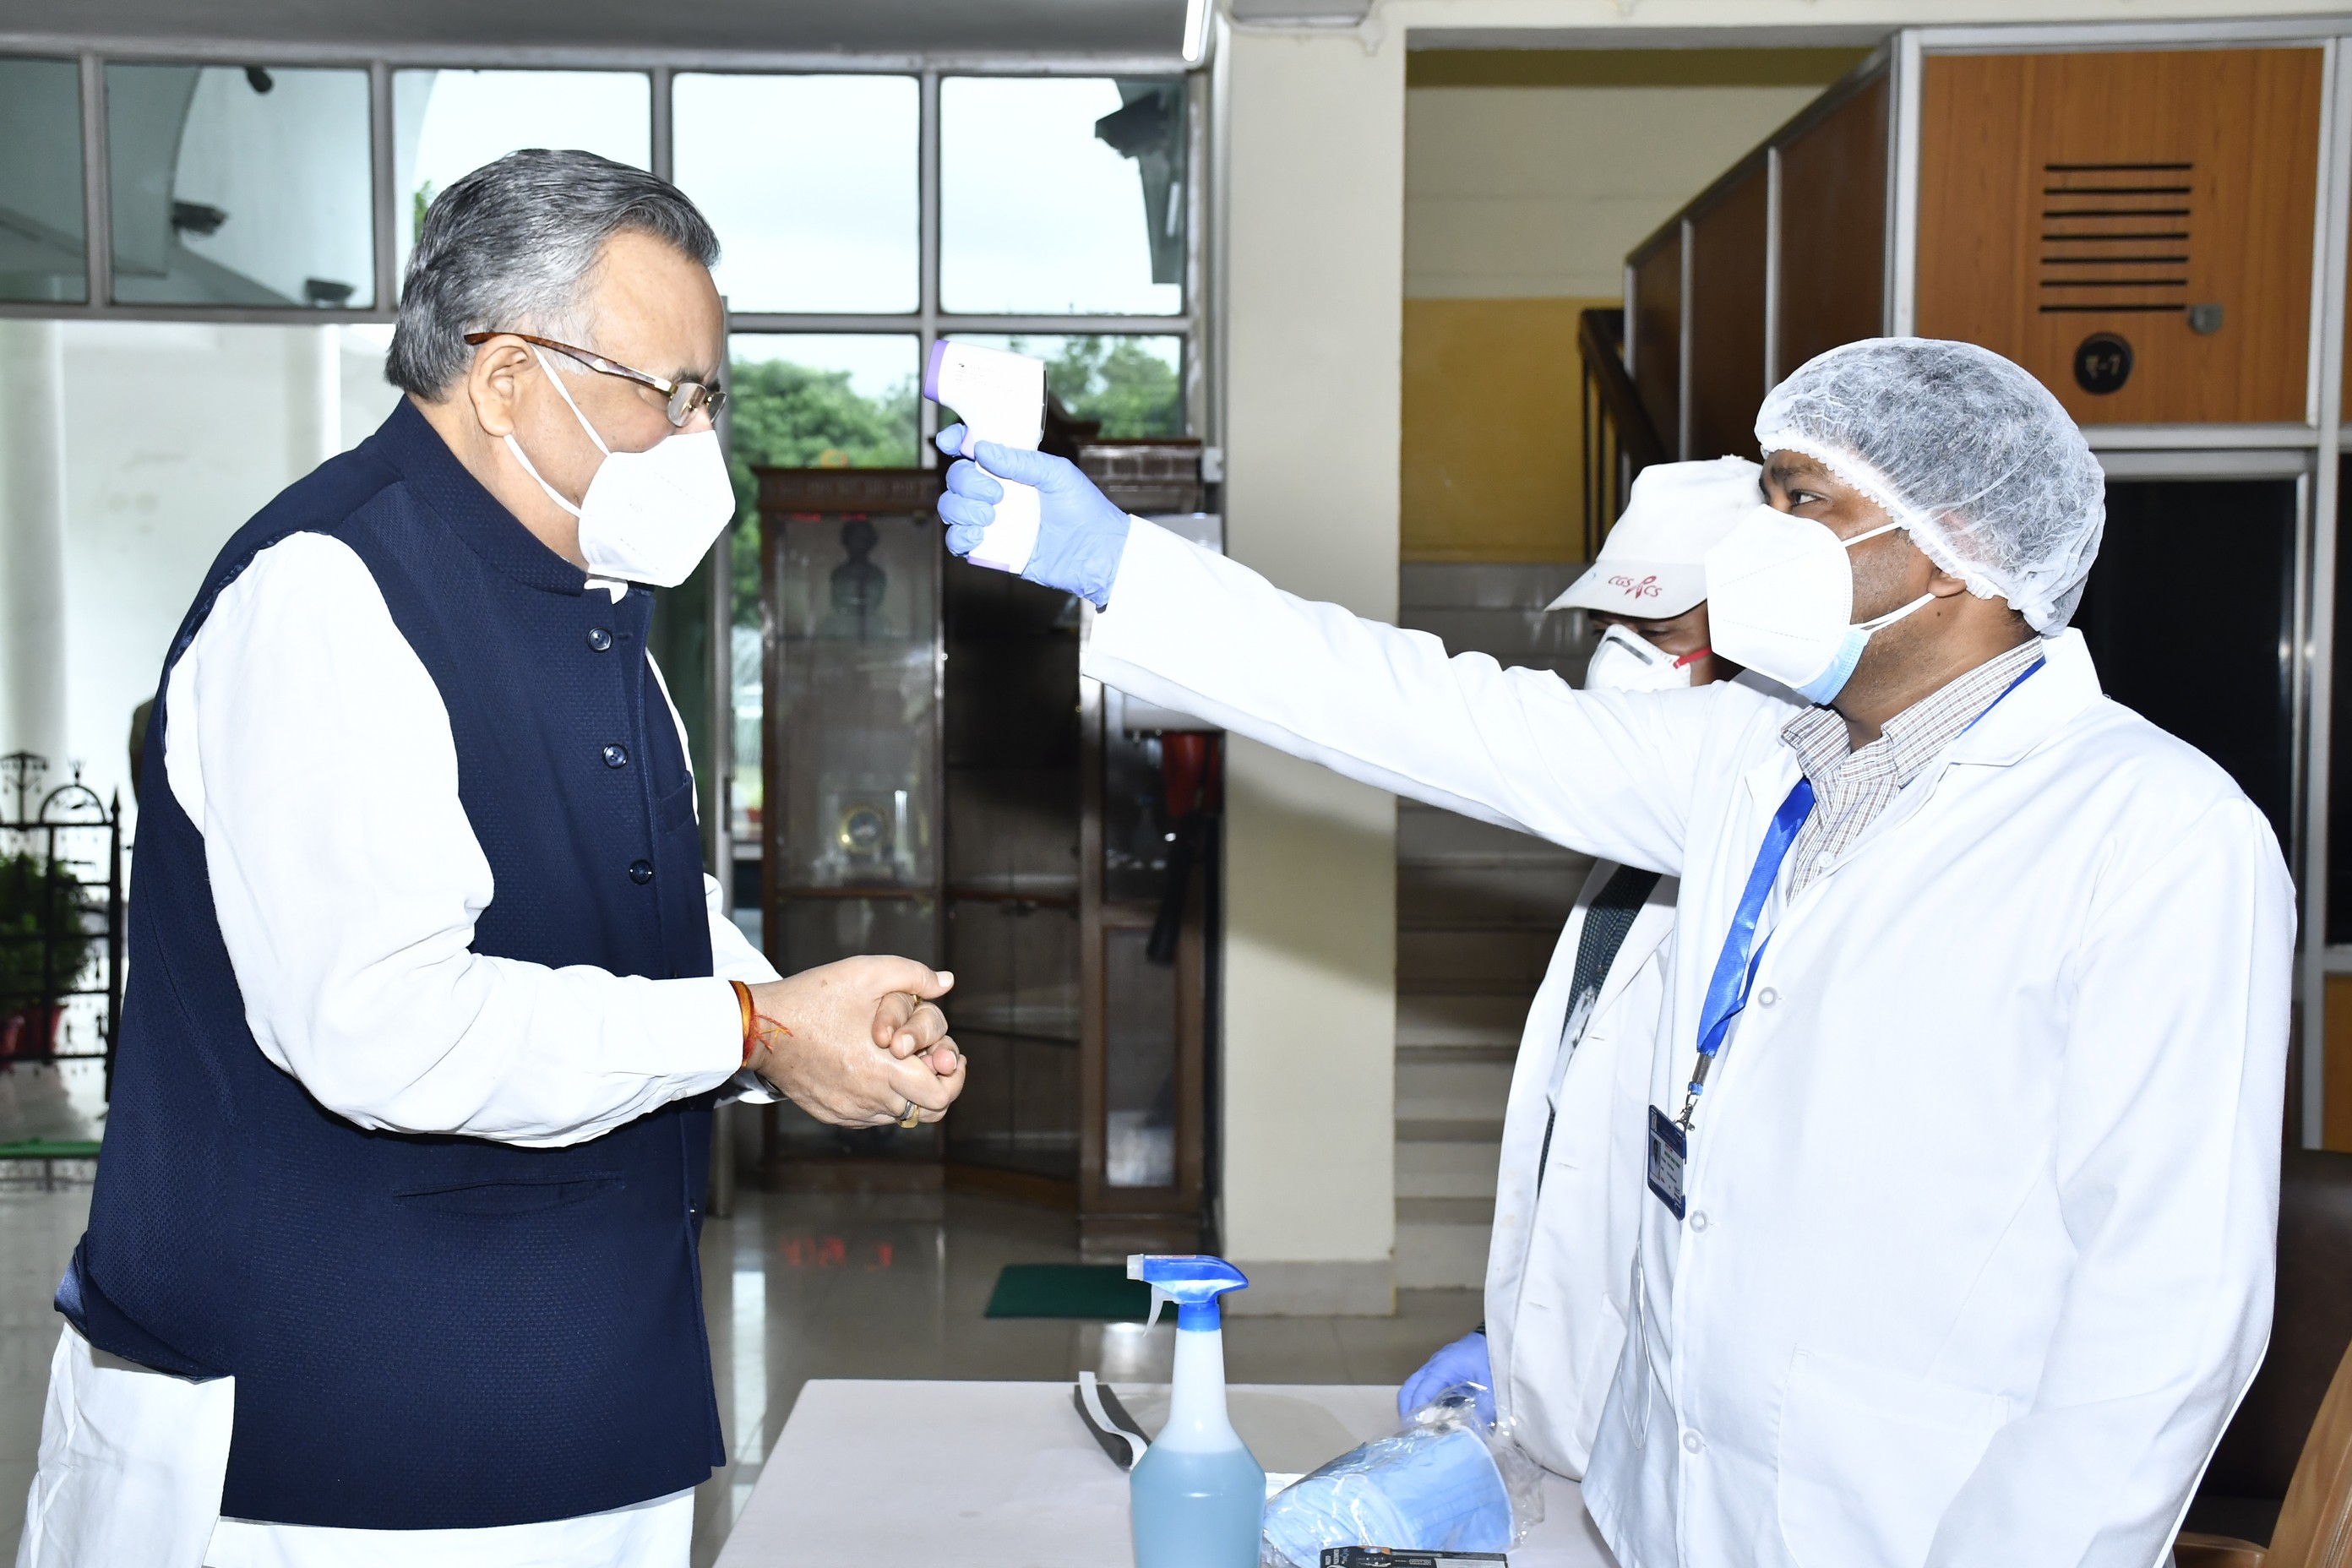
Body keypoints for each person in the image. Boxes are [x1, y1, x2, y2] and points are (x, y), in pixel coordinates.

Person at [934, 337, 2292, 1566]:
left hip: (1917, 1523)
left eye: (1802, 499)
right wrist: (1128, 569)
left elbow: (2168, 1320)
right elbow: (1437, 717)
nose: (1758, 535)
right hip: (1668, 1517)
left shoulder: (2156, 835)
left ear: (1955, 549)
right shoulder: (1755, 757)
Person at [17, 150, 966, 1568]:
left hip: (591, 1410)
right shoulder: (328, 592)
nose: (696, 439)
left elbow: (629, 907)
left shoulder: (591, 609)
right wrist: (753, 1028)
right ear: (509, 376)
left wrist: (797, 1019)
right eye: (668, 394)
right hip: (338, 1447)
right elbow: (384, 1026)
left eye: (709, 397)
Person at [1393, 457, 1797, 1484]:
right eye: (1609, 627)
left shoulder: (1783, 875)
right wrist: (1517, 1343)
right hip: (1572, 1396)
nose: (1619, 658)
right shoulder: (1628, 861)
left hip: (1675, 1433)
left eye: (1658, 630)